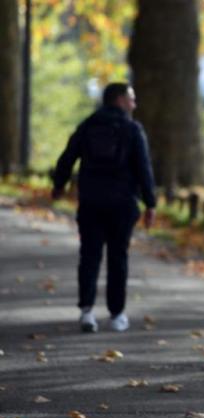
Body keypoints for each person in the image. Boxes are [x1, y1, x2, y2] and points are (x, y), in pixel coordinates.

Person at [52, 82, 156, 333]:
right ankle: (117, 314)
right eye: (131, 98)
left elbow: (67, 157)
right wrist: (150, 202)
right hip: (123, 202)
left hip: (91, 200)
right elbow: (144, 168)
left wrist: (59, 185)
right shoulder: (132, 129)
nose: (134, 104)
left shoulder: (88, 125)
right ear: (120, 99)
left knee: (89, 254)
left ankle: (86, 312)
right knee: (118, 256)